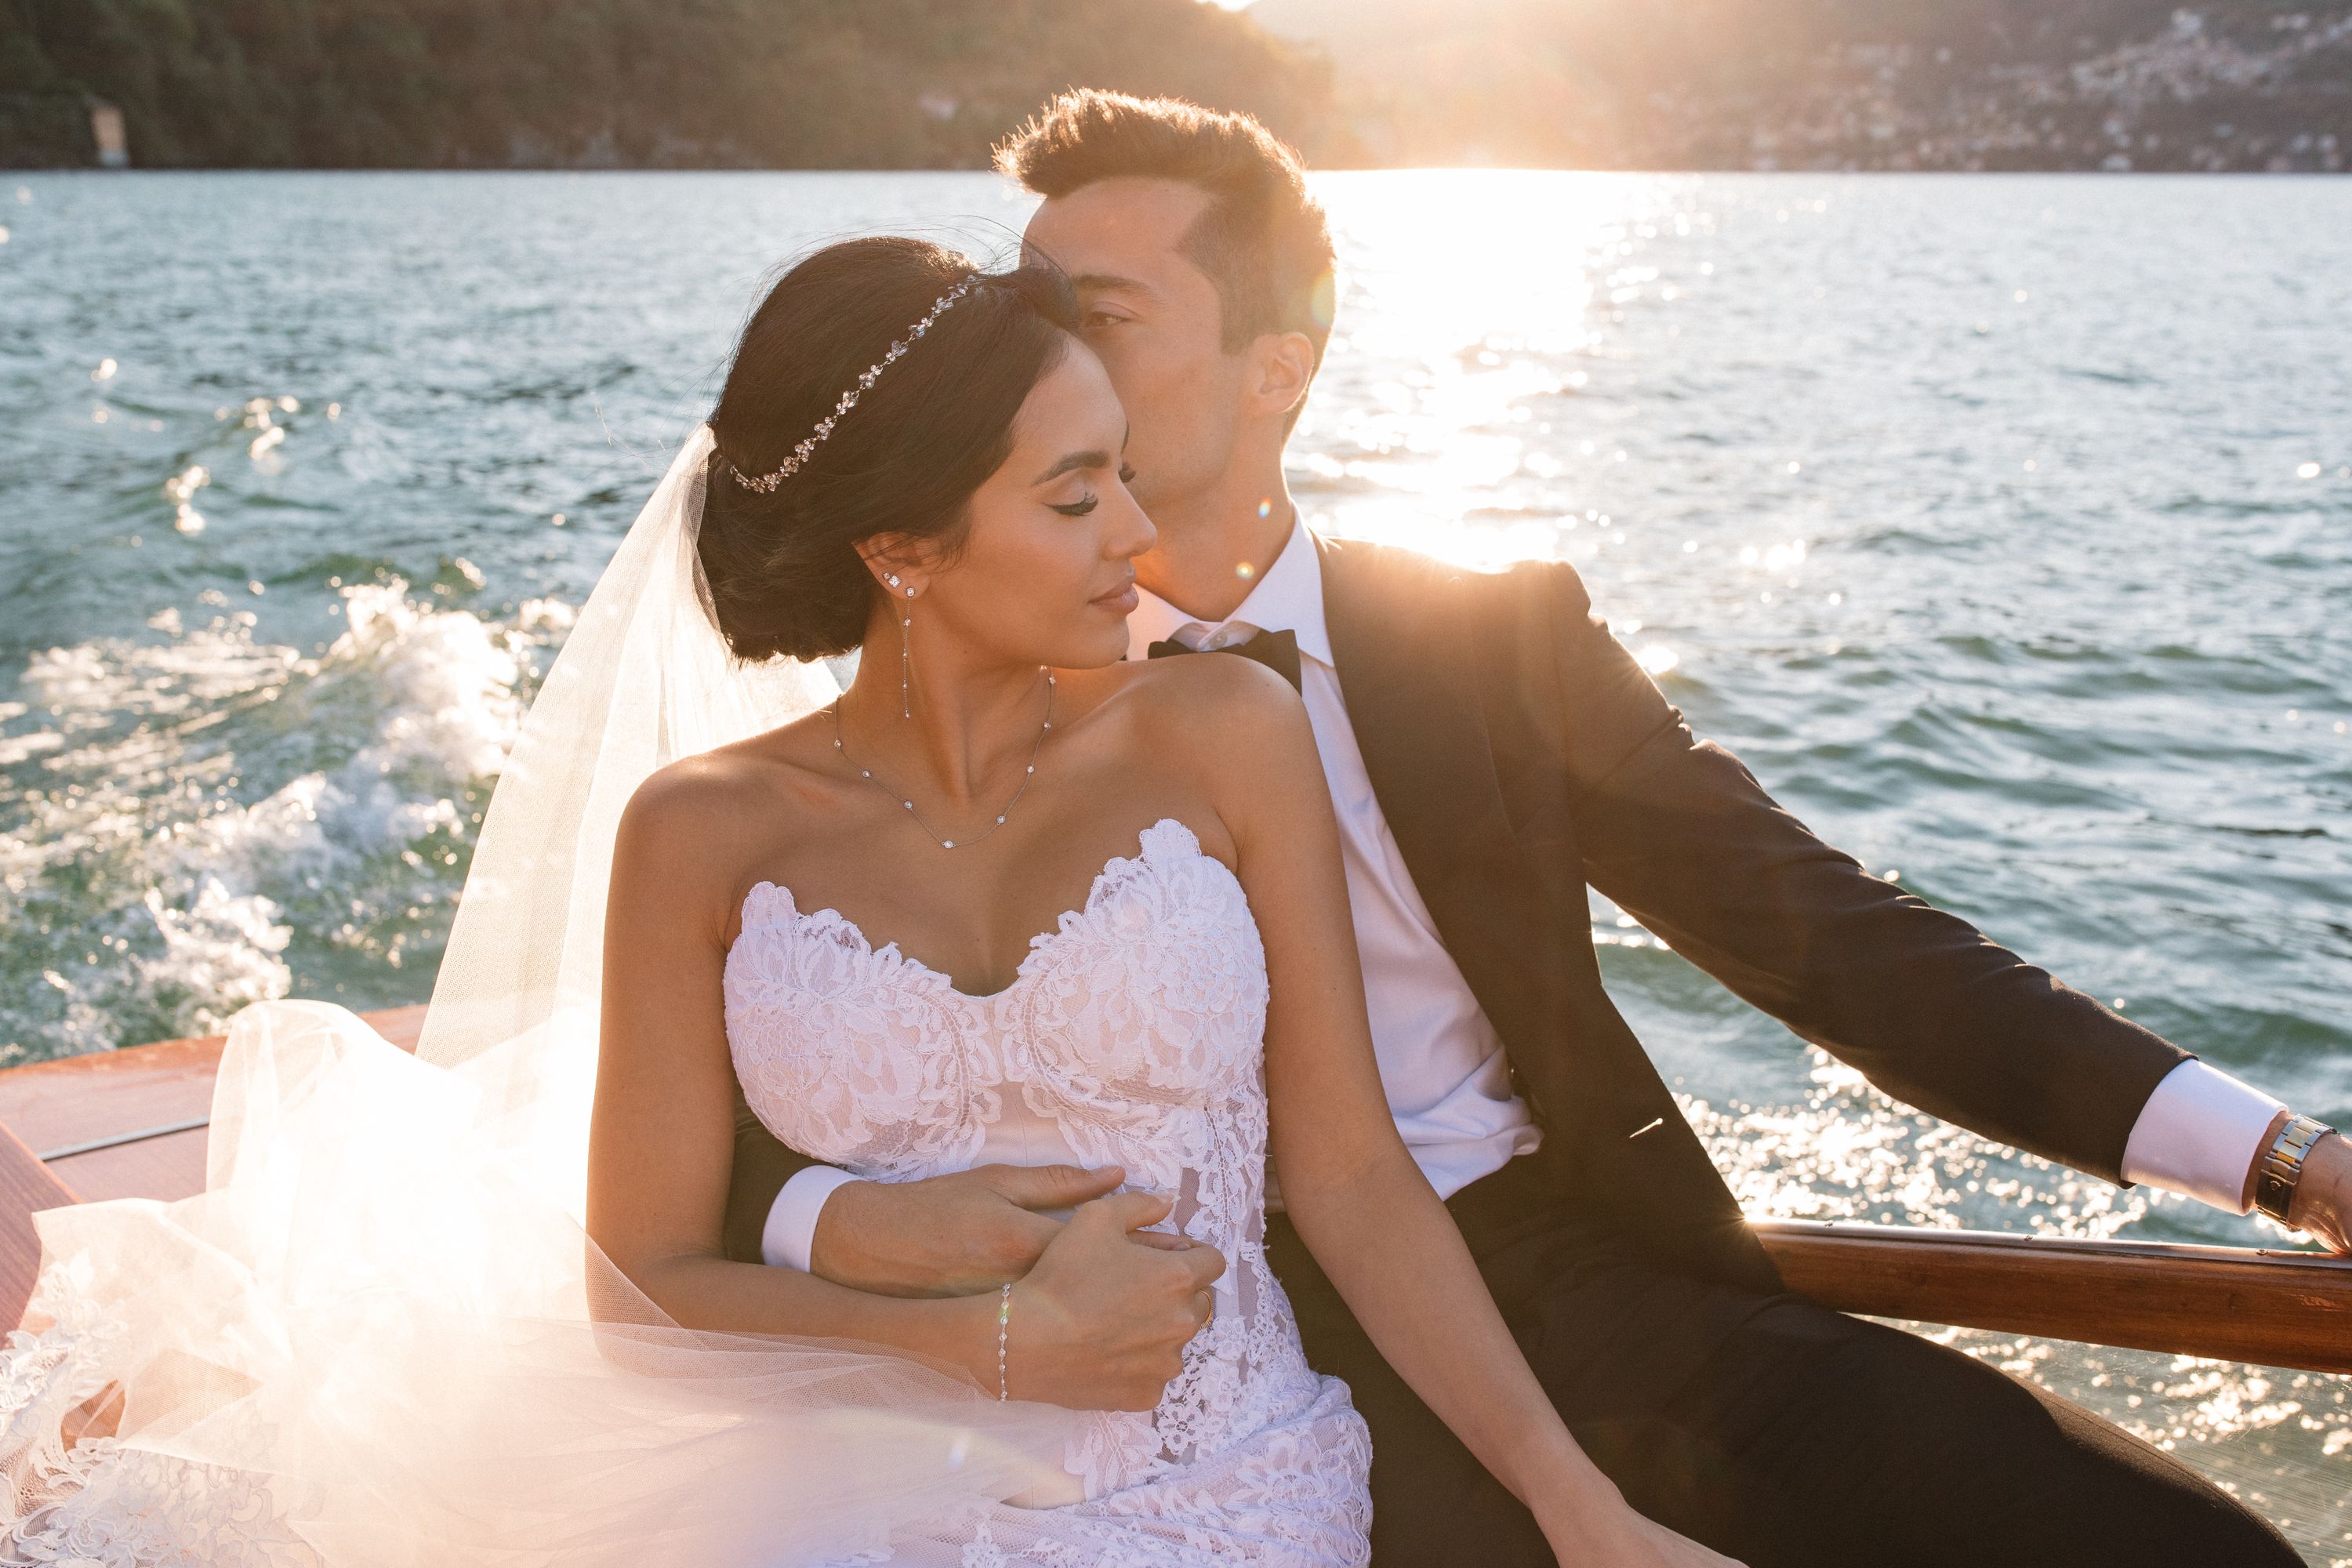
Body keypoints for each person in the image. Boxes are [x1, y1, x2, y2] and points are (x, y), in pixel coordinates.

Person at [721, 91, 2347, 1567]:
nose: (1034, 362)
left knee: (2178, 1553)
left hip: (1563, 1269)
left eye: (1094, 317)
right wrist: (860, 1226)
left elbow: (1838, 941)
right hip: (1185, 1329)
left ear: (1278, 365)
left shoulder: (1486, 643)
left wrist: (2283, 1161)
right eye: (1017, 315)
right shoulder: (971, 682)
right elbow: (785, 1105)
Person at [0, 235, 1737, 1566]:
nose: (1138, 532)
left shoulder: (1227, 728)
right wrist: (994, 1339)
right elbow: (647, 1277)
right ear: (901, 549)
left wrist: (1578, 1508)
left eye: (1124, 469)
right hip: (851, 1502)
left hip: (1236, 1480)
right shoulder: (706, 830)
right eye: (1075, 495)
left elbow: (1353, 1176)